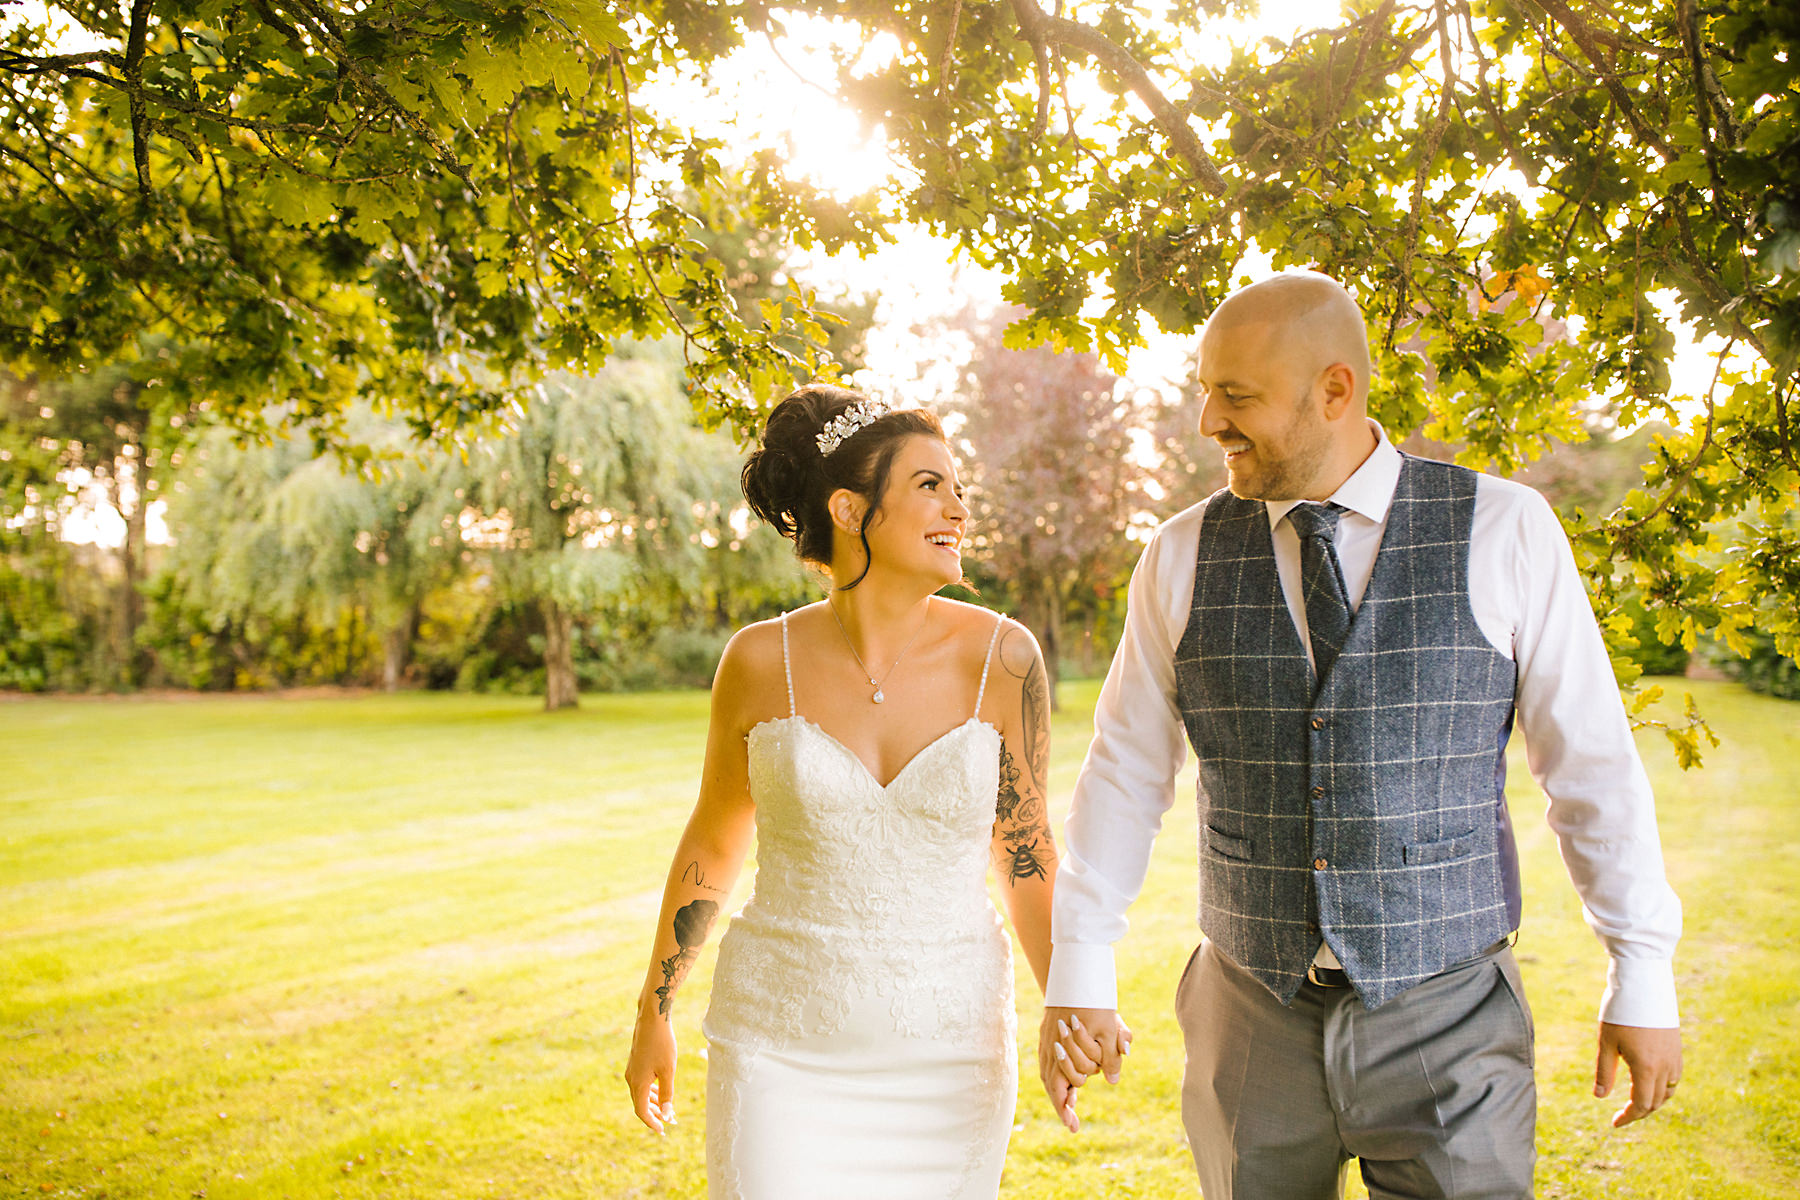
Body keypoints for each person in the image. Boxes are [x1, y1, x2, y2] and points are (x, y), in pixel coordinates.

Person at [1037, 272, 1684, 1198]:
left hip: (1451, 1014)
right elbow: (1126, 769)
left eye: (1238, 396)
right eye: (1205, 391)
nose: (1208, 420)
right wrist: (1082, 966)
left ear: (1334, 390)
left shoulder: (1506, 529)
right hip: (1248, 1013)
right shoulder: (1178, 553)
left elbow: (1589, 765)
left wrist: (1642, 972)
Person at [624, 384, 1062, 1200]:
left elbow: (1026, 853)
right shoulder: (758, 663)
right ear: (851, 510)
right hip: (778, 1046)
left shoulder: (1003, 659)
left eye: (958, 489)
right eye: (930, 485)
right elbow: (715, 843)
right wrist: (657, 1009)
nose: (958, 509)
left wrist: (1068, 1003)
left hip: (950, 1050)